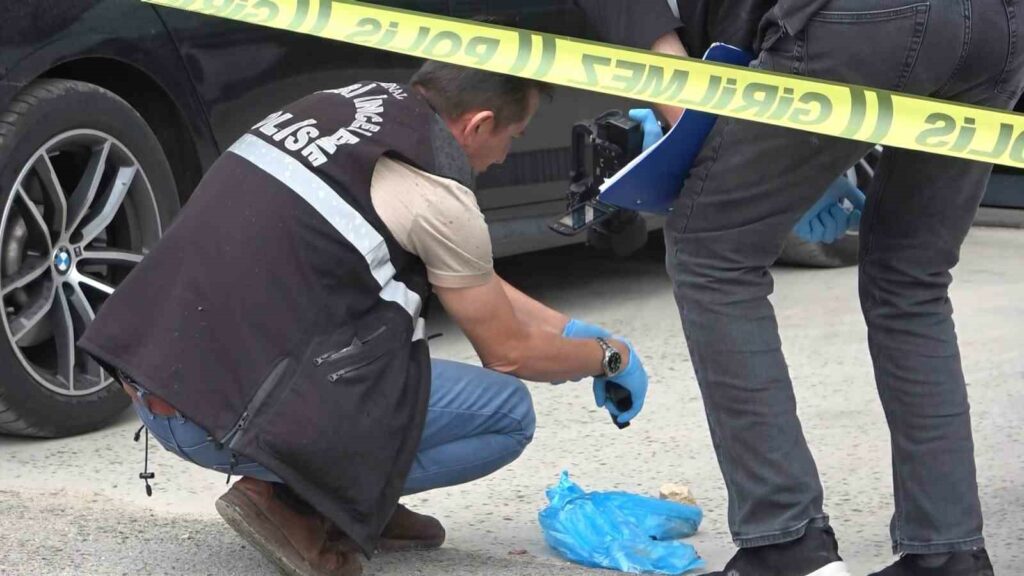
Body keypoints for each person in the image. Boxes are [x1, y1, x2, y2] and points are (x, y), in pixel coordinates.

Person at [78, 60, 649, 576]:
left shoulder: (347, 105)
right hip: (225, 419)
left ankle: (353, 501)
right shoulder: (437, 191)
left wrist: (567, 330)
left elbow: (469, 273)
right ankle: (298, 502)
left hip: (154, 379)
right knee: (505, 415)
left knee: (370, 342)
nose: (504, 157)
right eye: (512, 137)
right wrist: (608, 358)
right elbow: (508, 353)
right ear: (478, 125)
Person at [577, 1, 1024, 575]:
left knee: (712, 251)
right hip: (999, 24)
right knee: (912, 280)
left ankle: (786, 546)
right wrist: (802, 160)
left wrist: (714, 141)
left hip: (859, 19)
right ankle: (948, 555)